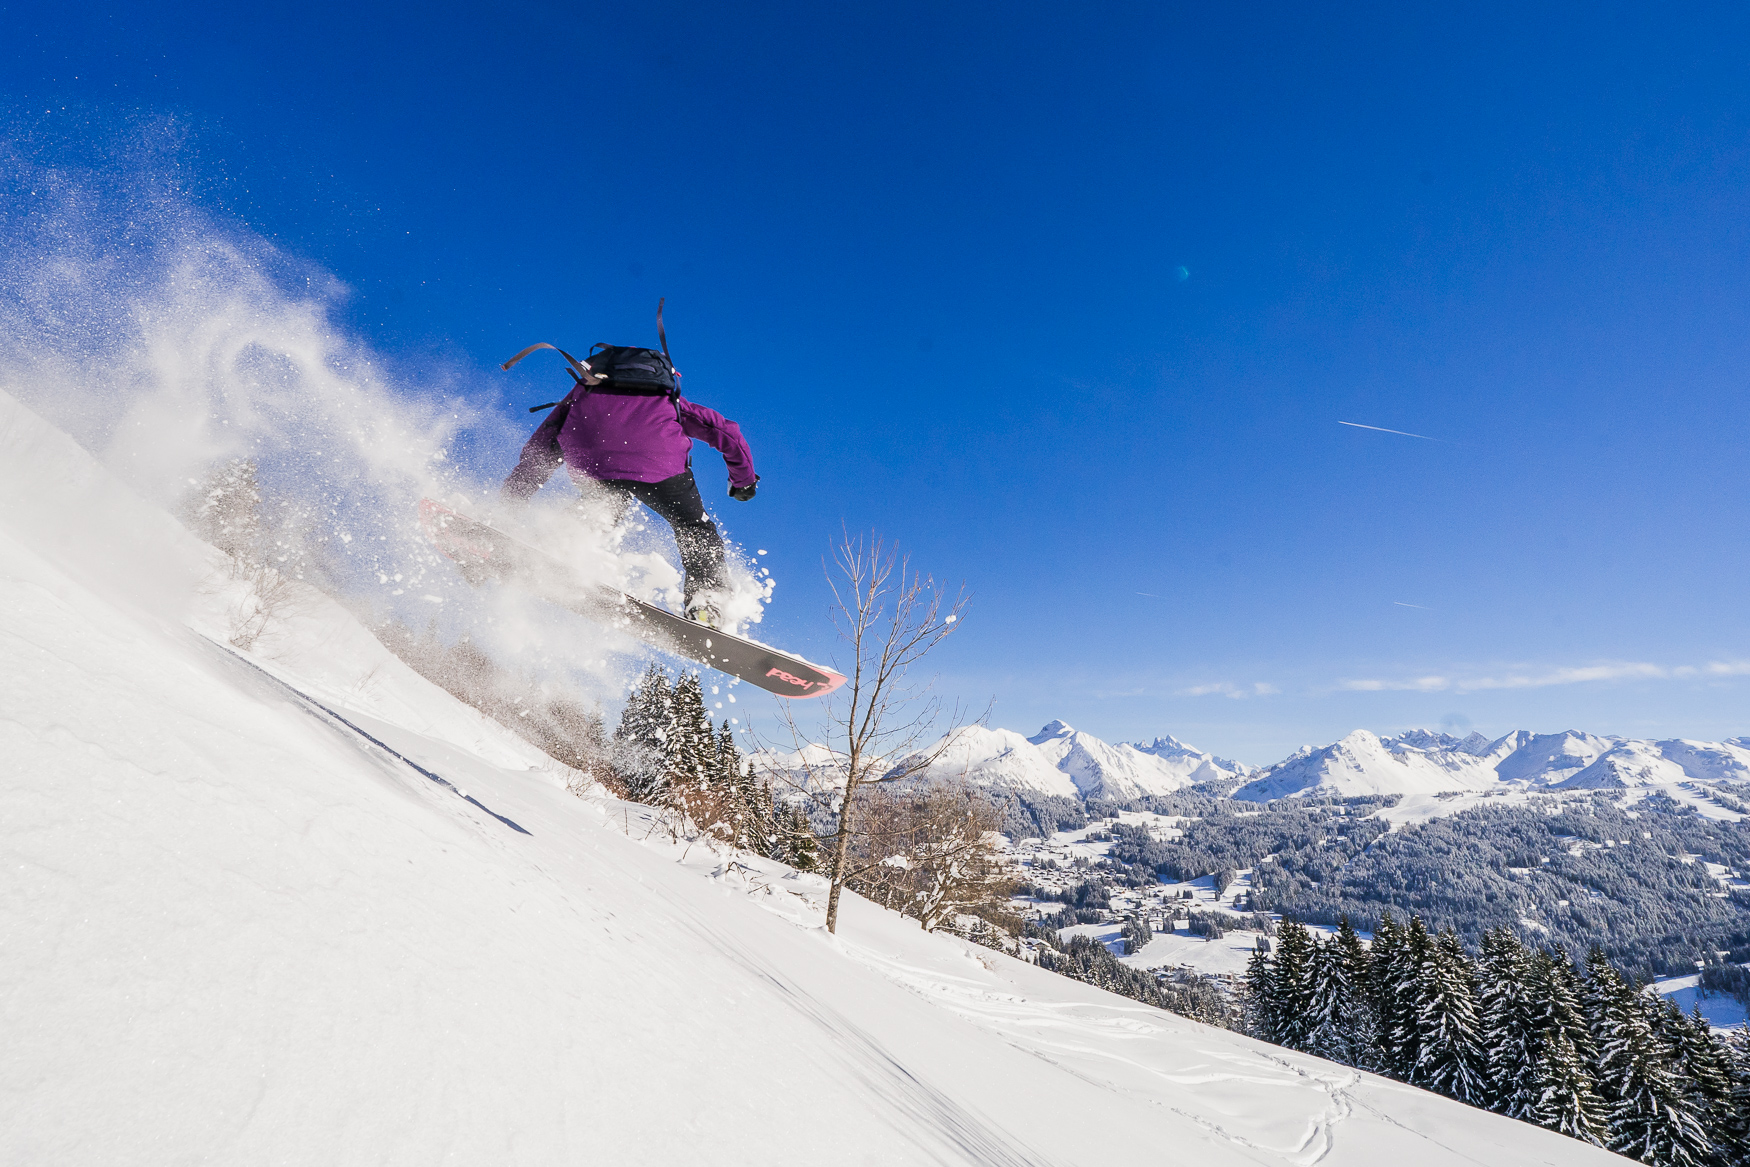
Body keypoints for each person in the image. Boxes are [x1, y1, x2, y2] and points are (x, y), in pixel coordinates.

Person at [501, 343, 758, 627]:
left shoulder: (584, 394)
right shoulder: (665, 400)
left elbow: (544, 445)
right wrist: (743, 481)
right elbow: (725, 432)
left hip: (595, 462)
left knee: (605, 503)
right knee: (694, 527)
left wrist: (508, 501)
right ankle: (706, 602)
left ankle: (556, 547)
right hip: (659, 465)